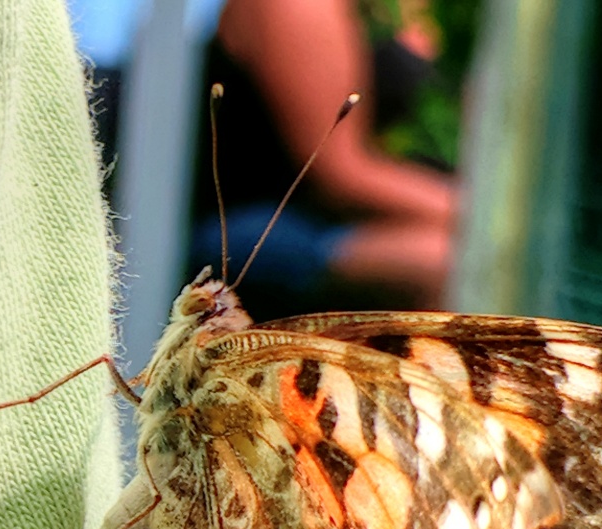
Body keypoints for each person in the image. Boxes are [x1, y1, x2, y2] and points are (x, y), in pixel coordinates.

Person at [192, 0, 457, 314]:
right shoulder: (297, 6)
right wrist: (481, 217)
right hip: (257, 229)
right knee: (449, 260)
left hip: (348, 218)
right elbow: (341, 175)